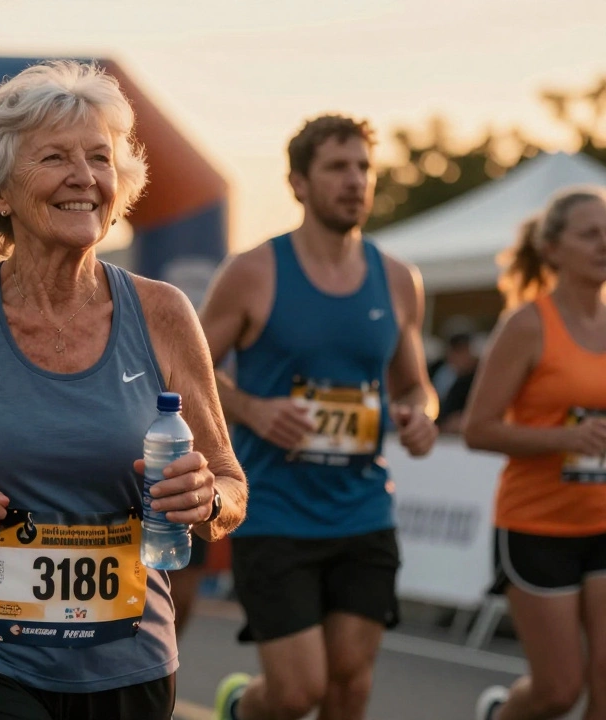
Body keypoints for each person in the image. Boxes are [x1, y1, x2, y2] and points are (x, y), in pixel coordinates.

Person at [0, 60, 247, 720]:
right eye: (55, 157)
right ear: (0, 191)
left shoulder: (165, 314)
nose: (84, 177)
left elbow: (230, 482)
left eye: (99, 158)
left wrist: (207, 497)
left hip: (128, 659)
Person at [201, 115, 439, 720]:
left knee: (350, 685)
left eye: (363, 167)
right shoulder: (254, 272)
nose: (355, 180)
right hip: (275, 512)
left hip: (362, 510)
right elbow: (184, 369)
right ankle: (241, 708)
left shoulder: (397, 279)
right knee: (298, 691)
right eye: (337, 167)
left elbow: (415, 386)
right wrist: (253, 408)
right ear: (299, 183)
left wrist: (418, 416)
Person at [463, 188, 606, 720]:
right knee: (559, 691)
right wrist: (563, 439)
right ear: (552, 249)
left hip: (603, 522)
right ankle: (500, 714)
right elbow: (478, 429)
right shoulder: (527, 325)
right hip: (537, 526)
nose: (604, 243)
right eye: (590, 233)